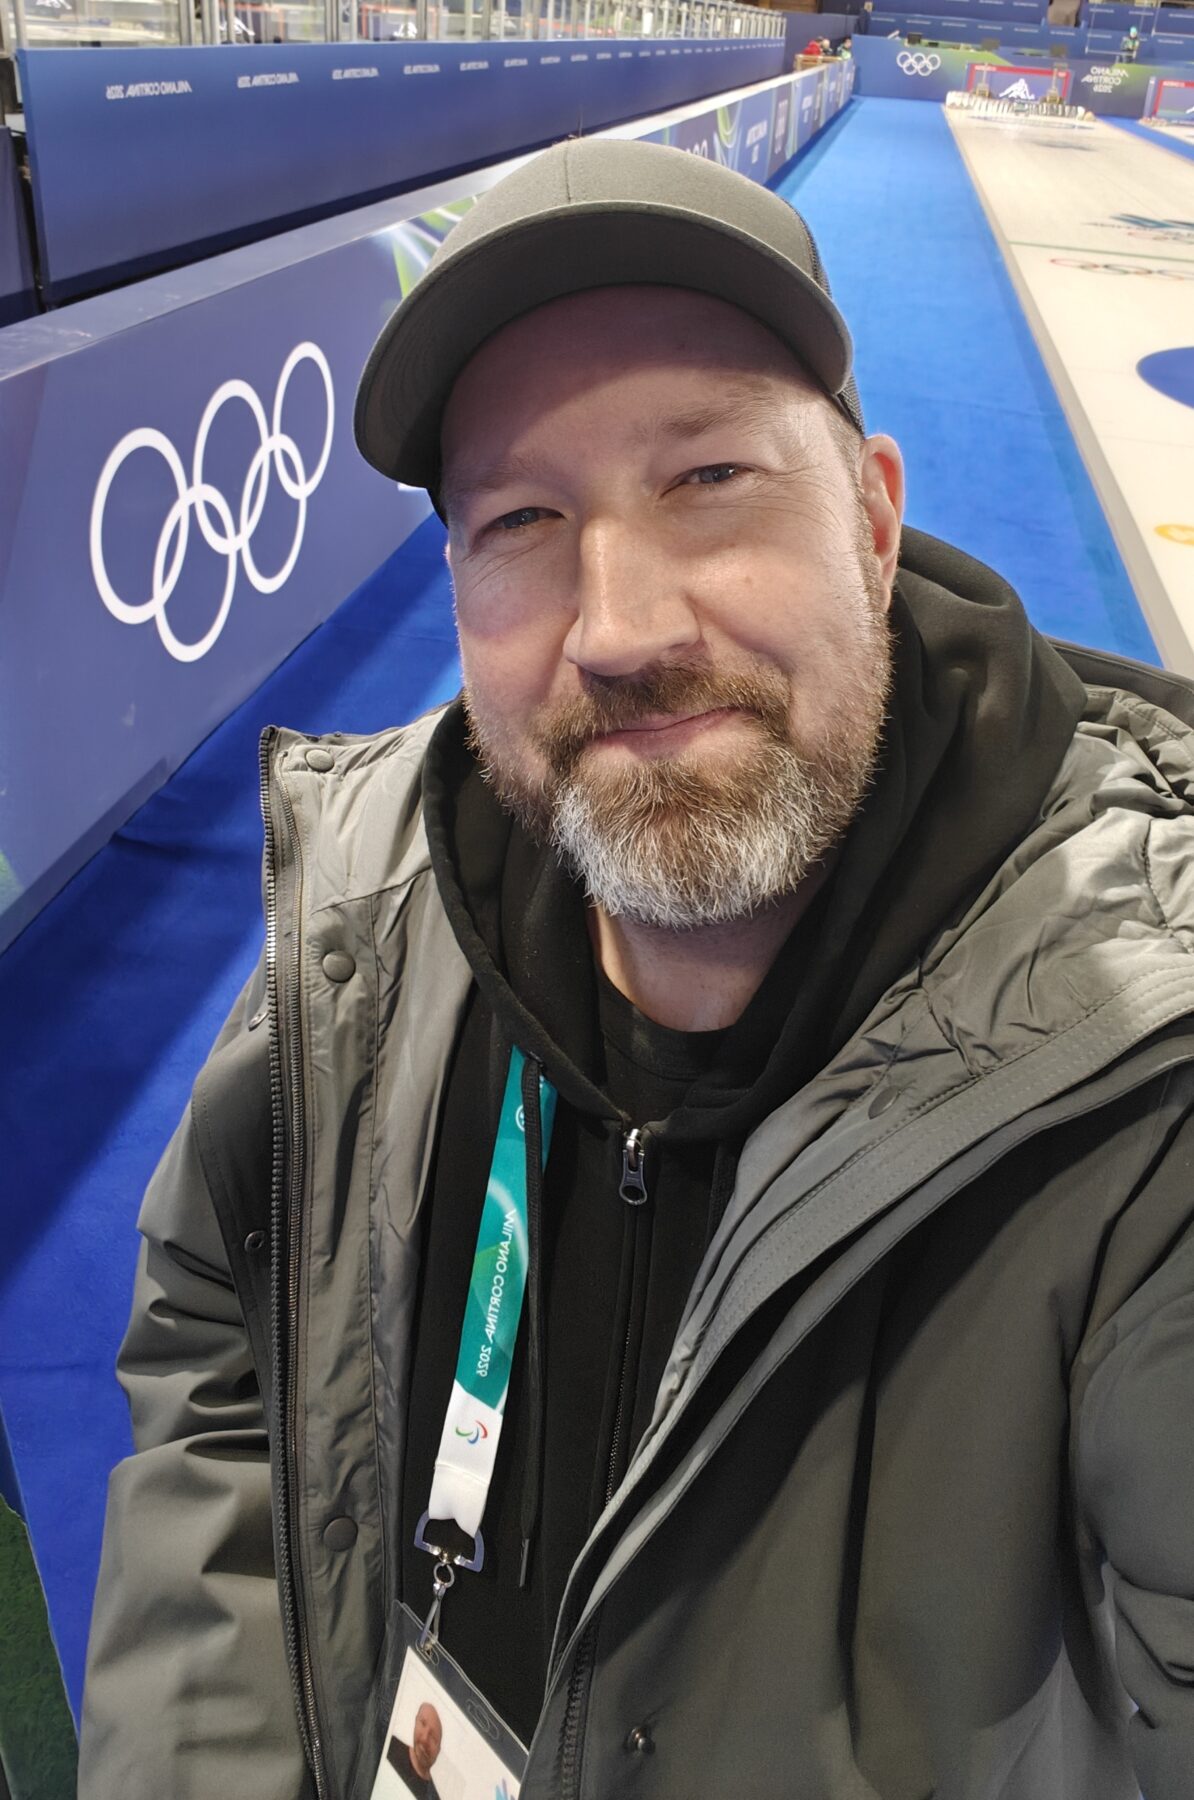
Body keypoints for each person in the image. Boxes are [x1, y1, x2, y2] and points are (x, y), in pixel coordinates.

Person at [79, 137, 1194, 1799]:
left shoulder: (1139, 1081)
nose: (617, 624)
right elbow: (223, 1365)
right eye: (519, 518)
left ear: (874, 525)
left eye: (705, 481)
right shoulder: (371, 911)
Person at [386, 1702, 442, 1795]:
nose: (425, 1738)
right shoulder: (388, 1745)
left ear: (438, 1751)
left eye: (433, 1737)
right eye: (423, 1723)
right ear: (416, 1721)